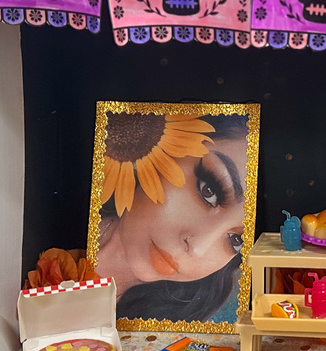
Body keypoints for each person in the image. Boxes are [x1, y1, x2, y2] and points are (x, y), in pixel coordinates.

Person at [96, 112, 249, 322]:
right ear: (162, 144)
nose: (197, 249)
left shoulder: (178, 325)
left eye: (237, 241)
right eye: (209, 191)